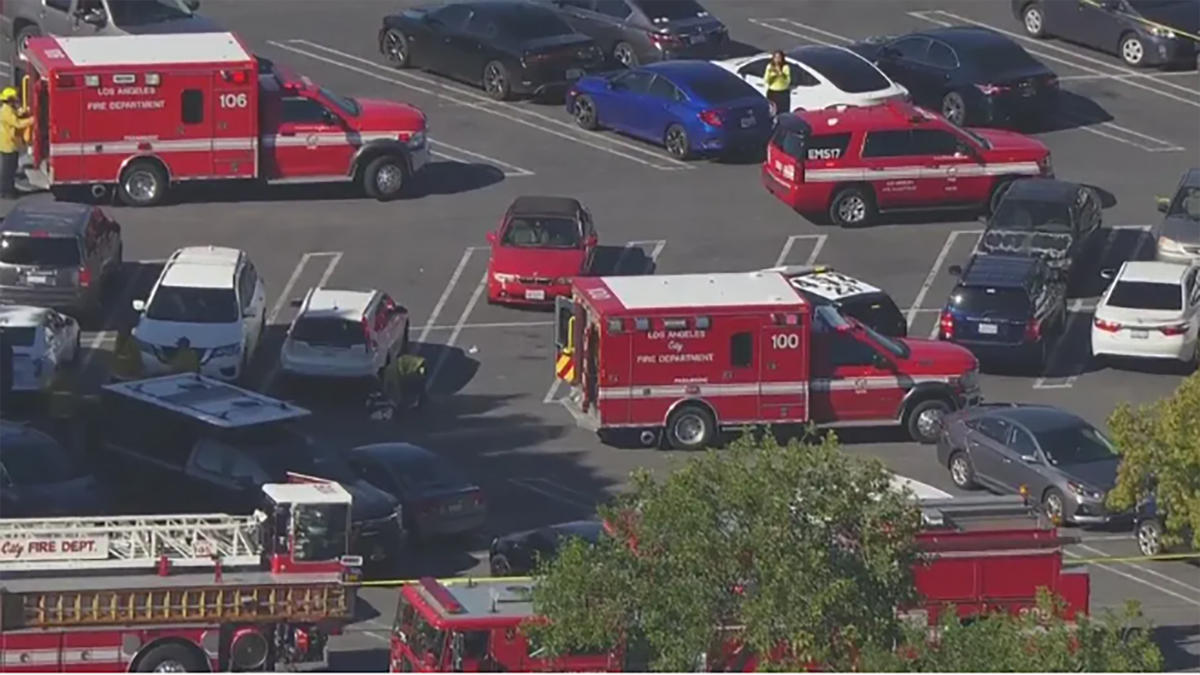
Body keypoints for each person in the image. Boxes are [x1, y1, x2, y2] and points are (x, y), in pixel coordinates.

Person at [0, 87, 32, 199]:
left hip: (10, 143)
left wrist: (23, 111)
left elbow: (17, 114)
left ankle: (9, 188)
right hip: (8, 144)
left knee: (11, 167)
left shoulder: (9, 109)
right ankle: (6, 191)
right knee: (8, 169)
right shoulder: (6, 111)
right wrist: (31, 120)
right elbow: (17, 123)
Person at [763, 51, 792, 117]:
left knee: (783, 113)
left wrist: (780, 73)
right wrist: (772, 75)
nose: (777, 59)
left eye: (779, 57)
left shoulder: (785, 67)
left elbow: (787, 81)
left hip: (783, 93)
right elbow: (766, 80)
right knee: (772, 111)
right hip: (773, 92)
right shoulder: (770, 67)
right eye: (776, 57)